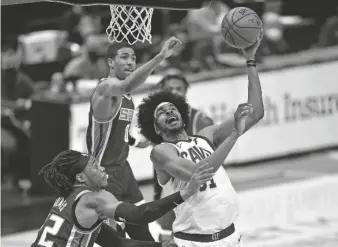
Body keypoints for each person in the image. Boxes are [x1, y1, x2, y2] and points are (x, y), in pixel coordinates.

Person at [137, 34, 264, 247]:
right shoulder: (161, 151)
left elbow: (256, 112)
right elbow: (198, 173)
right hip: (195, 243)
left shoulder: (207, 135)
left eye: (172, 108)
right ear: (156, 128)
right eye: (162, 112)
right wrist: (234, 135)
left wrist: (250, 61)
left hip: (231, 238)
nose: (169, 111)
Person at [86, 36, 181, 240]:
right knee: (117, 239)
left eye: (133, 58)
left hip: (123, 170)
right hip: (102, 173)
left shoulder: (127, 98)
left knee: (142, 232)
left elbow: (121, 132)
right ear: (111, 62)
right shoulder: (105, 88)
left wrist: (137, 142)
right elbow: (125, 86)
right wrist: (160, 57)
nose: (130, 62)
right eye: (124, 57)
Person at [31, 150, 215, 247]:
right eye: (95, 166)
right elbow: (140, 214)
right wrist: (186, 192)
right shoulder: (93, 199)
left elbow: (118, 244)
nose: (102, 168)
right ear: (80, 178)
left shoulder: (69, 198)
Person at [155, 72, 215, 240]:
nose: (175, 92)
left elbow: (213, 156)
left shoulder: (200, 120)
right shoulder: (157, 120)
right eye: (170, 89)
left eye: (178, 88)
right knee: (166, 229)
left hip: (195, 183)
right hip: (169, 181)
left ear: (186, 91)